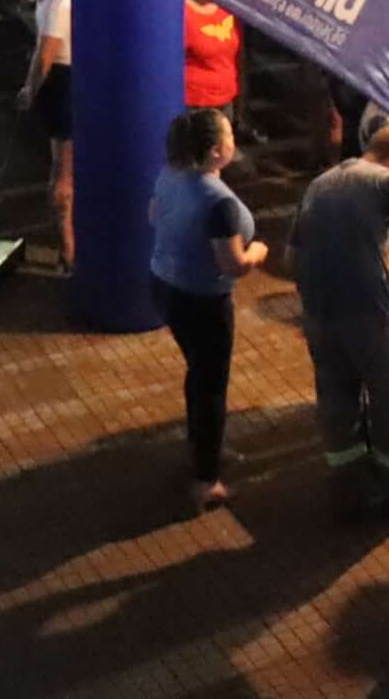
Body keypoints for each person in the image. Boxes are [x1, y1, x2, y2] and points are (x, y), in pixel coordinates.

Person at [293, 116, 389, 518]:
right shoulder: (386, 182)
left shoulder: (320, 183)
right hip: (368, 309)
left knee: (336, 398)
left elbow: (290, 256)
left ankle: (348, 489)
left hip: (317, 311)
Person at [149, 104, 264, 513]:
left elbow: (153, 216)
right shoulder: (218, 202)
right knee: (212, 383)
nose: (235, 141)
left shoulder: (169, 175)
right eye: (229, 136)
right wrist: (259, 251)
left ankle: (201, 445)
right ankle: (206, 479)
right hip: (203, 301)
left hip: (164, 285)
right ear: (216, 151)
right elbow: (233, 264)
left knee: (197, 371)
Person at [20, 0, 76, 265]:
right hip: (63, 83)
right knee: (64, 171)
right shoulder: (60, 0)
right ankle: (69, 248)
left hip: (66, 81)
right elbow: (45, 55)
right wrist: (30, 89)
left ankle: (70, 243)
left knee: (66, 167)